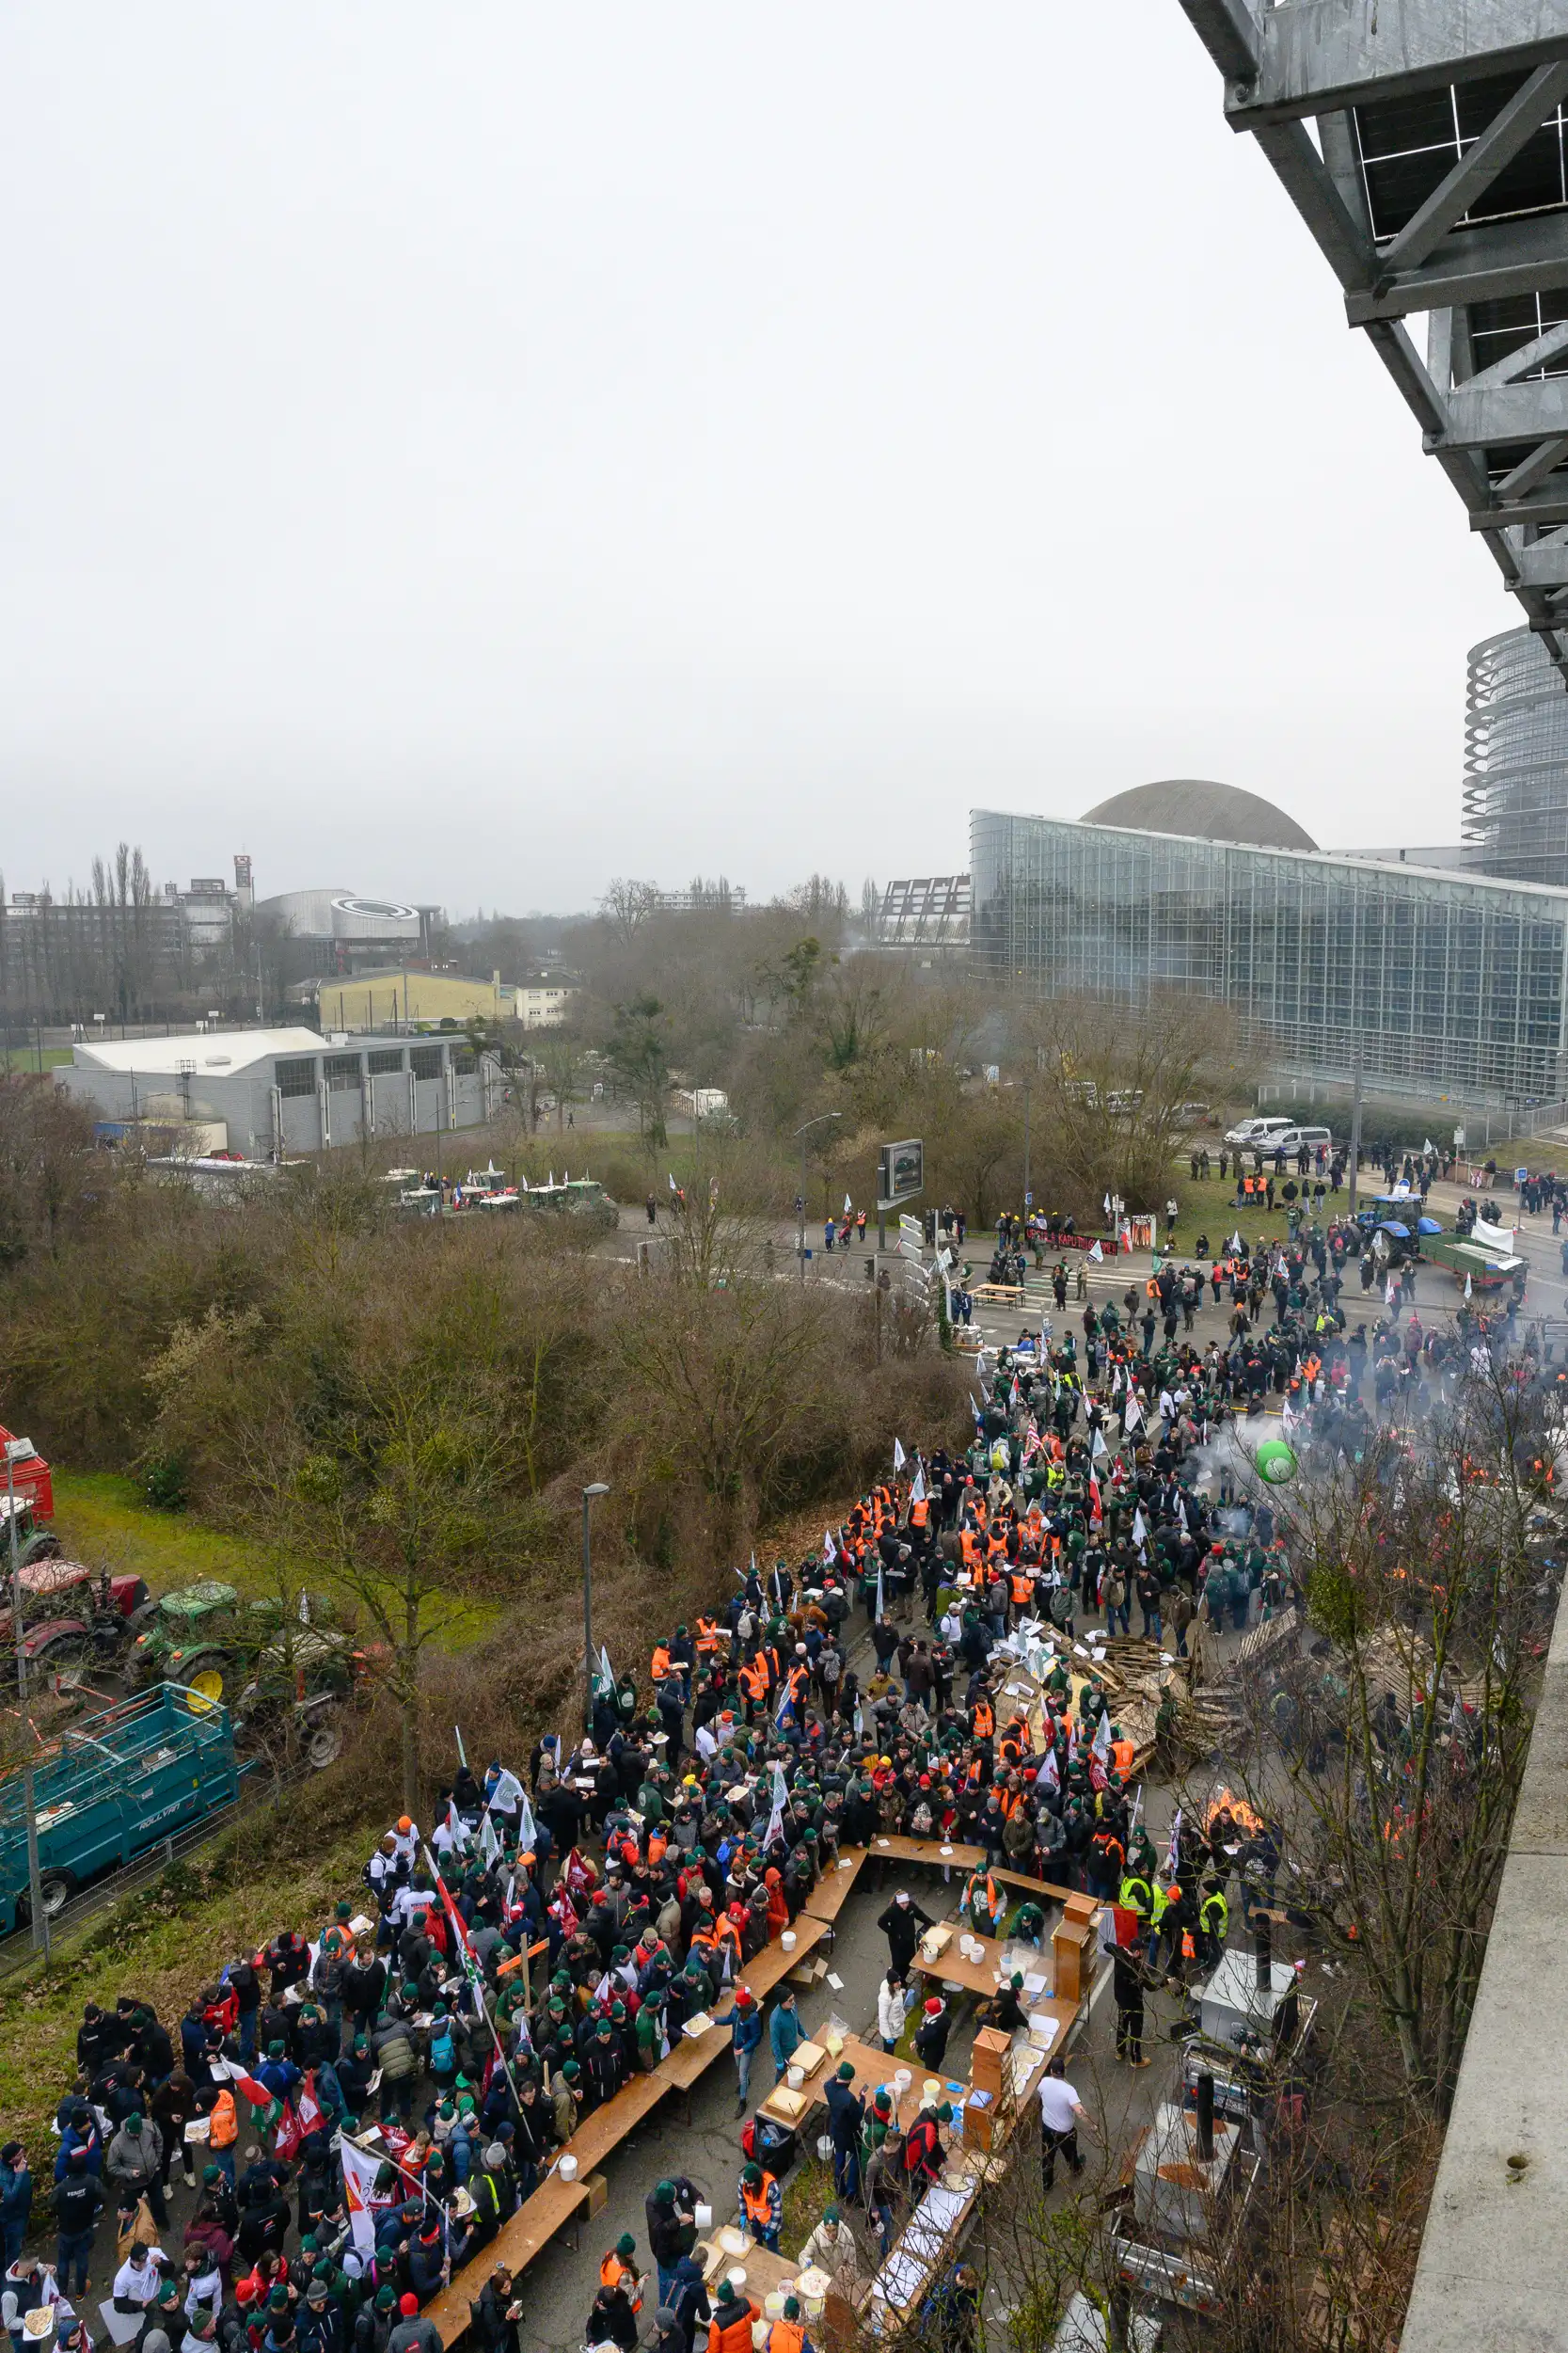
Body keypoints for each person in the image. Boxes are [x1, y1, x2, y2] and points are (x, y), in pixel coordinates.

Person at [51, 2147, 103, 2296]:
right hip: (84, 2228)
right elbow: (103, 2195)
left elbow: (51, 2203)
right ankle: (80, 2290)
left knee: (63, 2261)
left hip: (66, 2230)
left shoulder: (62, 2188)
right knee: (82, 2260)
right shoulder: (92, 2181)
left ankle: (62, 2290)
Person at [1037, 2056, 1095, 2190]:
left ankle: (1047, 2184)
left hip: (1047, 2127)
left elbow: (1040, 2092)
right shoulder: (1069, 2091)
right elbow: (1080, 2111)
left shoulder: (1044, 2082)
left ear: (1051, 2071)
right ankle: (1076, 2169)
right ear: (1064, 2071)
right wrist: (1092, 2124)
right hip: (1064, 2131)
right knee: (1070, 2153)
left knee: (1047, 2156)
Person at [712, 1987, 764, 2117]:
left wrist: (745, 2048)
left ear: (744, 2003)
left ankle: (743, 2100)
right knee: (739, 2068)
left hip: (744, 2049)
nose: (736, 2003)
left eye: (738, 2002)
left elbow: (756, 2037)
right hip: (736, 2046)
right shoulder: (736, 2010)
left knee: (742, 2073)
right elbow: (729, 2019)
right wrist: (716, 2020)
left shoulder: (753, 2017)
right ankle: (745, 2082)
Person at [877, 1893, 933, 1977]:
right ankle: (897, 1980)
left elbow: (920, 1915)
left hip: (909, 1937)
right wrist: (894, 1933)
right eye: (902, 1904)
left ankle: (907, 1971)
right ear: (898, 1903)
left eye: (906, 1902)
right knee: (898, 1963)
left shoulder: (911, 1906)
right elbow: (881, 1922)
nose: (905, 1905)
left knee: (910, 1957)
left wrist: (931, 1922)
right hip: (897, 1941)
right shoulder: (892, 1910)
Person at [736, 2162, 781, 2250]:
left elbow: (777, 2211)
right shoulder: (744, 2182)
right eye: (746, 2182)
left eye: (750, 2183)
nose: (747, 2185)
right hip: (754, 2221)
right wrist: (744, 2213)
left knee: (773, 2251)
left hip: (769, 2223)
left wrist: (771, 2230)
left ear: (757, 2181)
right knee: (757, 2246)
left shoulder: (771, 2188)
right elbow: (741, 2197)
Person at [0, 2147, 29, 2269]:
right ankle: (12, 2276)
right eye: (19, 2154)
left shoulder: (19, 2164)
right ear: (11, 2160)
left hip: (22, 2212)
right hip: (12, 2219)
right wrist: (20, 2174)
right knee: (13, 2251)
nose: (23, 2156)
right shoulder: (3, 2176)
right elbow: (9, 2198)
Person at [876, 1971, 906, 2054]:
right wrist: (888, 2036)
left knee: (893, 2045)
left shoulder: (896, 1989)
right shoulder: (885, 1998)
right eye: (897, 1981)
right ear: (891, 1984)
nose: (900, 1983)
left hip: (896, 2026)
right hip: (891, 2030)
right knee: (888, 2052)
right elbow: (882, 2018)